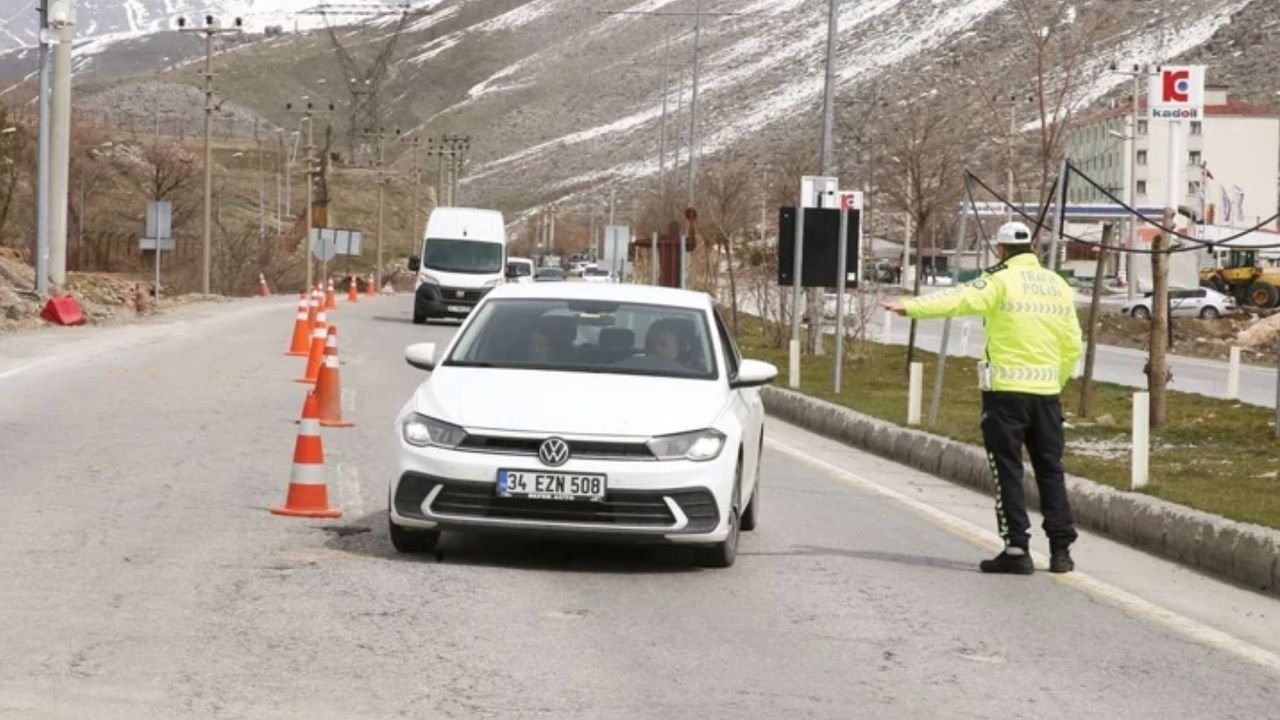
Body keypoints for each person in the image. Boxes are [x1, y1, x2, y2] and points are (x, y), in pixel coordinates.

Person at [882, 221, 1083, 575]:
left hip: (1006, 395)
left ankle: (1017, 548)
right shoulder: (1058, 285)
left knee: (1007, 469)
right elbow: (1071, 343)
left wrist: (910, 307)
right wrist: (1056, 381)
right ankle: (1060, 551)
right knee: (1051, 470)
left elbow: (958, 298)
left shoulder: (1000, 281)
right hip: (1047, 396)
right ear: (1033, 248)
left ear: (1001, 250)